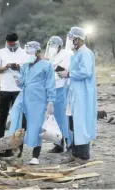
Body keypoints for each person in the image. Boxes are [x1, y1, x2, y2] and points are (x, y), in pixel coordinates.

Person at [8, 41, 56, 165]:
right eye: (27, 53)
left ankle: (35, 156)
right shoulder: (25, 65)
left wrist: (51, 100)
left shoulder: (47, 65)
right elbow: (23, 83)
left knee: (36, 126)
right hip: (23, 98)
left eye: (31, 53)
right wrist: (18, 80)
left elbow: (50, 83)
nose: (29, 55)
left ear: (38, 52)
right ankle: (17, 154)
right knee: (19, 124)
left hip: (38, 100)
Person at [58, 27, 97, 164]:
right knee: (73, 124)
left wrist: (69, 74)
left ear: (79, 39)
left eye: (73, 38)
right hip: (75, 92)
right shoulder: (78, 54)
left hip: (83, 93)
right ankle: (75, 153)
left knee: (81, 124)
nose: (71, 41)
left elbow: (86, 72)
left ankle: (83, 155)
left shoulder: (85, 53)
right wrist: (67, 72)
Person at [0, 32, 28, 139]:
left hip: (19, 89)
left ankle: (18, 138)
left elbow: (29, 71)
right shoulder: (1, 52)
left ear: (17, 42)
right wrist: (6, 67)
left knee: (20, 116)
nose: (11, 46)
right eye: (9, 44)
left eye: (13, 44)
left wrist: (18, 68)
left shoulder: (24, 53)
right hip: (5, 89)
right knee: (2, 114)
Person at [44, 36, 73, 153]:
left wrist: (53, 70)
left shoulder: (66, 55)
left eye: (53, 46)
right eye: (50, 46)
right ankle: (58, 144)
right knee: (54, 118)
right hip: (52, 89)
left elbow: (63, 72)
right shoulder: (51, 56)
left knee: (64, 118)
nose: (51, 48)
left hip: (62, 89)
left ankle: (69, 144)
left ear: (60, 46)